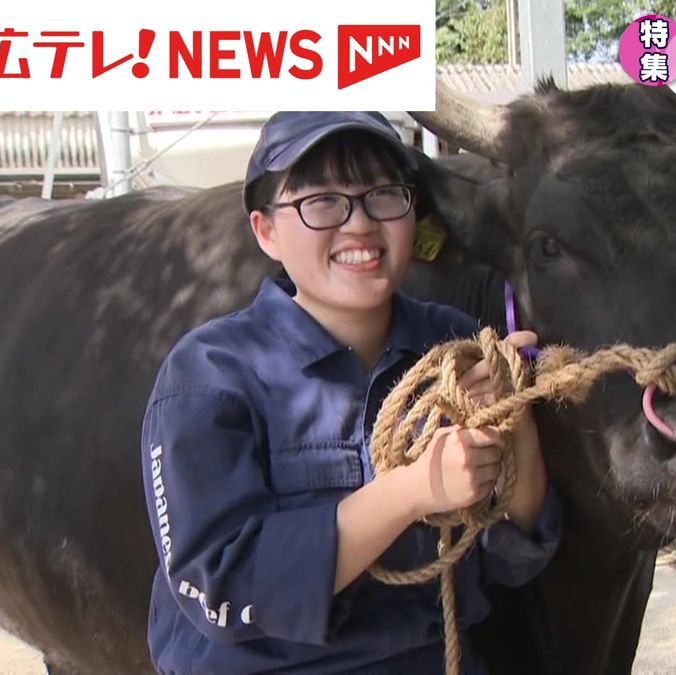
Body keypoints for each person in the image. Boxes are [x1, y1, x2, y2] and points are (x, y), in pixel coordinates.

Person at [139, 111, 560, 674]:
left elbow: (514, 557)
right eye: (322, 202)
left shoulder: (452, 345)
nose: (360, 223)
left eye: (383, 195)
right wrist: (412, 491)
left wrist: (517, 421)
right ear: (266, 230)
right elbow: (220, 587)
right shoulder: (209, 375)